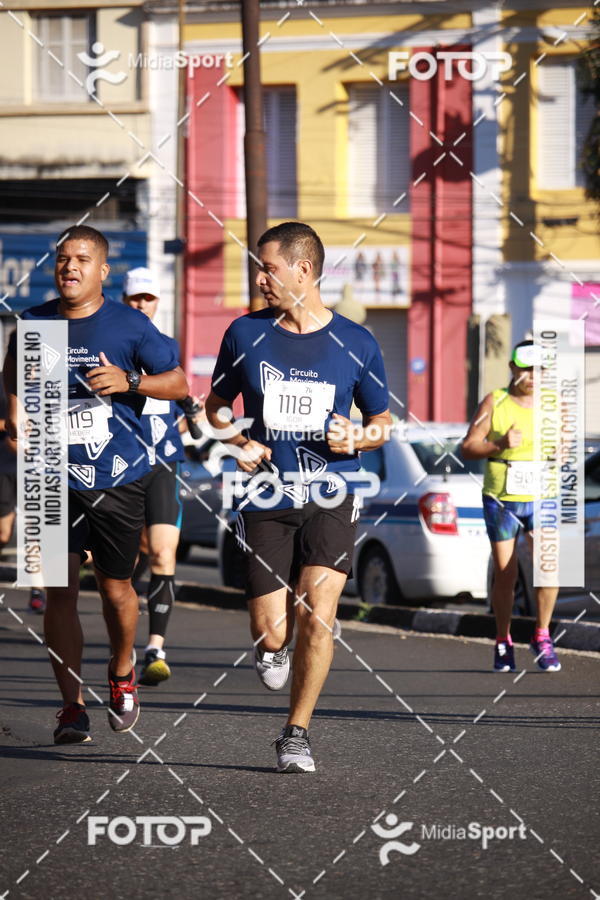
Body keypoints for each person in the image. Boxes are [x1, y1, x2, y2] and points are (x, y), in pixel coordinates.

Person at [206, 221, 391, 773]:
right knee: (272, 631)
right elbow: (214, 407)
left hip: (332, 492)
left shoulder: (357, 342)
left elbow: (382, 422)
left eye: (269, 268)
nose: (260, 279)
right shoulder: (245, 333)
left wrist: (357, 436)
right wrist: (238, 441)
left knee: (318, 612)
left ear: (304, 269)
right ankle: (274, 647)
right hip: (266, 492)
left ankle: (296, 733)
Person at [3, 225, 188, 743]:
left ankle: (122, 669)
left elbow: (178, 383)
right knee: (58, 590)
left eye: (82, 259)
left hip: (116, 476)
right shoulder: (35, 321)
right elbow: (12, 373)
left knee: (115, 587)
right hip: (49, 475)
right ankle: (71, 707)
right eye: (63, 258)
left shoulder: (129, 325)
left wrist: (130, 381)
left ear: (103, 270)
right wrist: (16, 414)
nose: (70, 267)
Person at [122, 266, 202, 686]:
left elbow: (177, 405)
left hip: (165, 462)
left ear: (157, 302)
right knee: (122, 562)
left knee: (162, 554)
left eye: (148, 298)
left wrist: (190, 415)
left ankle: (155, 648)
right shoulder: (111, 344)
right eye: (135, 298)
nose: (142, 305)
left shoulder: (168, 347)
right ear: (124, 300)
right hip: (121, 465)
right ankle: (122, 638)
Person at [462, 340, 560, 673]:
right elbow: (469, 447)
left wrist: (562, 451)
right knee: (507, 573)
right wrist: (499, 444)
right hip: (502, 499)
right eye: (526, 369)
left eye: (539, 370)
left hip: (543, 496)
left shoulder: (553, 405)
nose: (533, 376)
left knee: (550, 567)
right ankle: (503, 639)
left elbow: (565, 446)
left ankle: (542, 635)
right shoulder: (496, 401)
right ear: (513, 368)